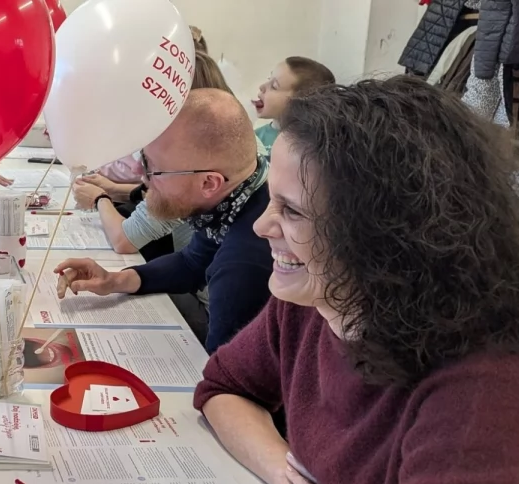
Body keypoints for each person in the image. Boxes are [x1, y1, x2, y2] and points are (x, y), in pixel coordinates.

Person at [195, 77, 519, 484]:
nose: (260, 227)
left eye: (292, 211)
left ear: (380, 237)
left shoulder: (485, 389)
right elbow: (223, 388)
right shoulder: (315, 298)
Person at [56, 89, 271, 353]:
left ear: (208, 182)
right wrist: (115, 281)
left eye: (152, 168)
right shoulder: (237, 195)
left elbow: (226, 383)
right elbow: (192, 262)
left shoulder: (244, 266)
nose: (140, 175)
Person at [72, 53, 249, 260]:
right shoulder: (234, 137)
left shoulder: (190, 154)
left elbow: (124, 239)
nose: (140, 171)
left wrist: (99, 198)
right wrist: (113, 190)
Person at [251, 56, 334, 155]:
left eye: (274, 86)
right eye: (269, 78)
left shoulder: (311, 146)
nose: (262, 87)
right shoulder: (253, 138)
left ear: (301, 101)